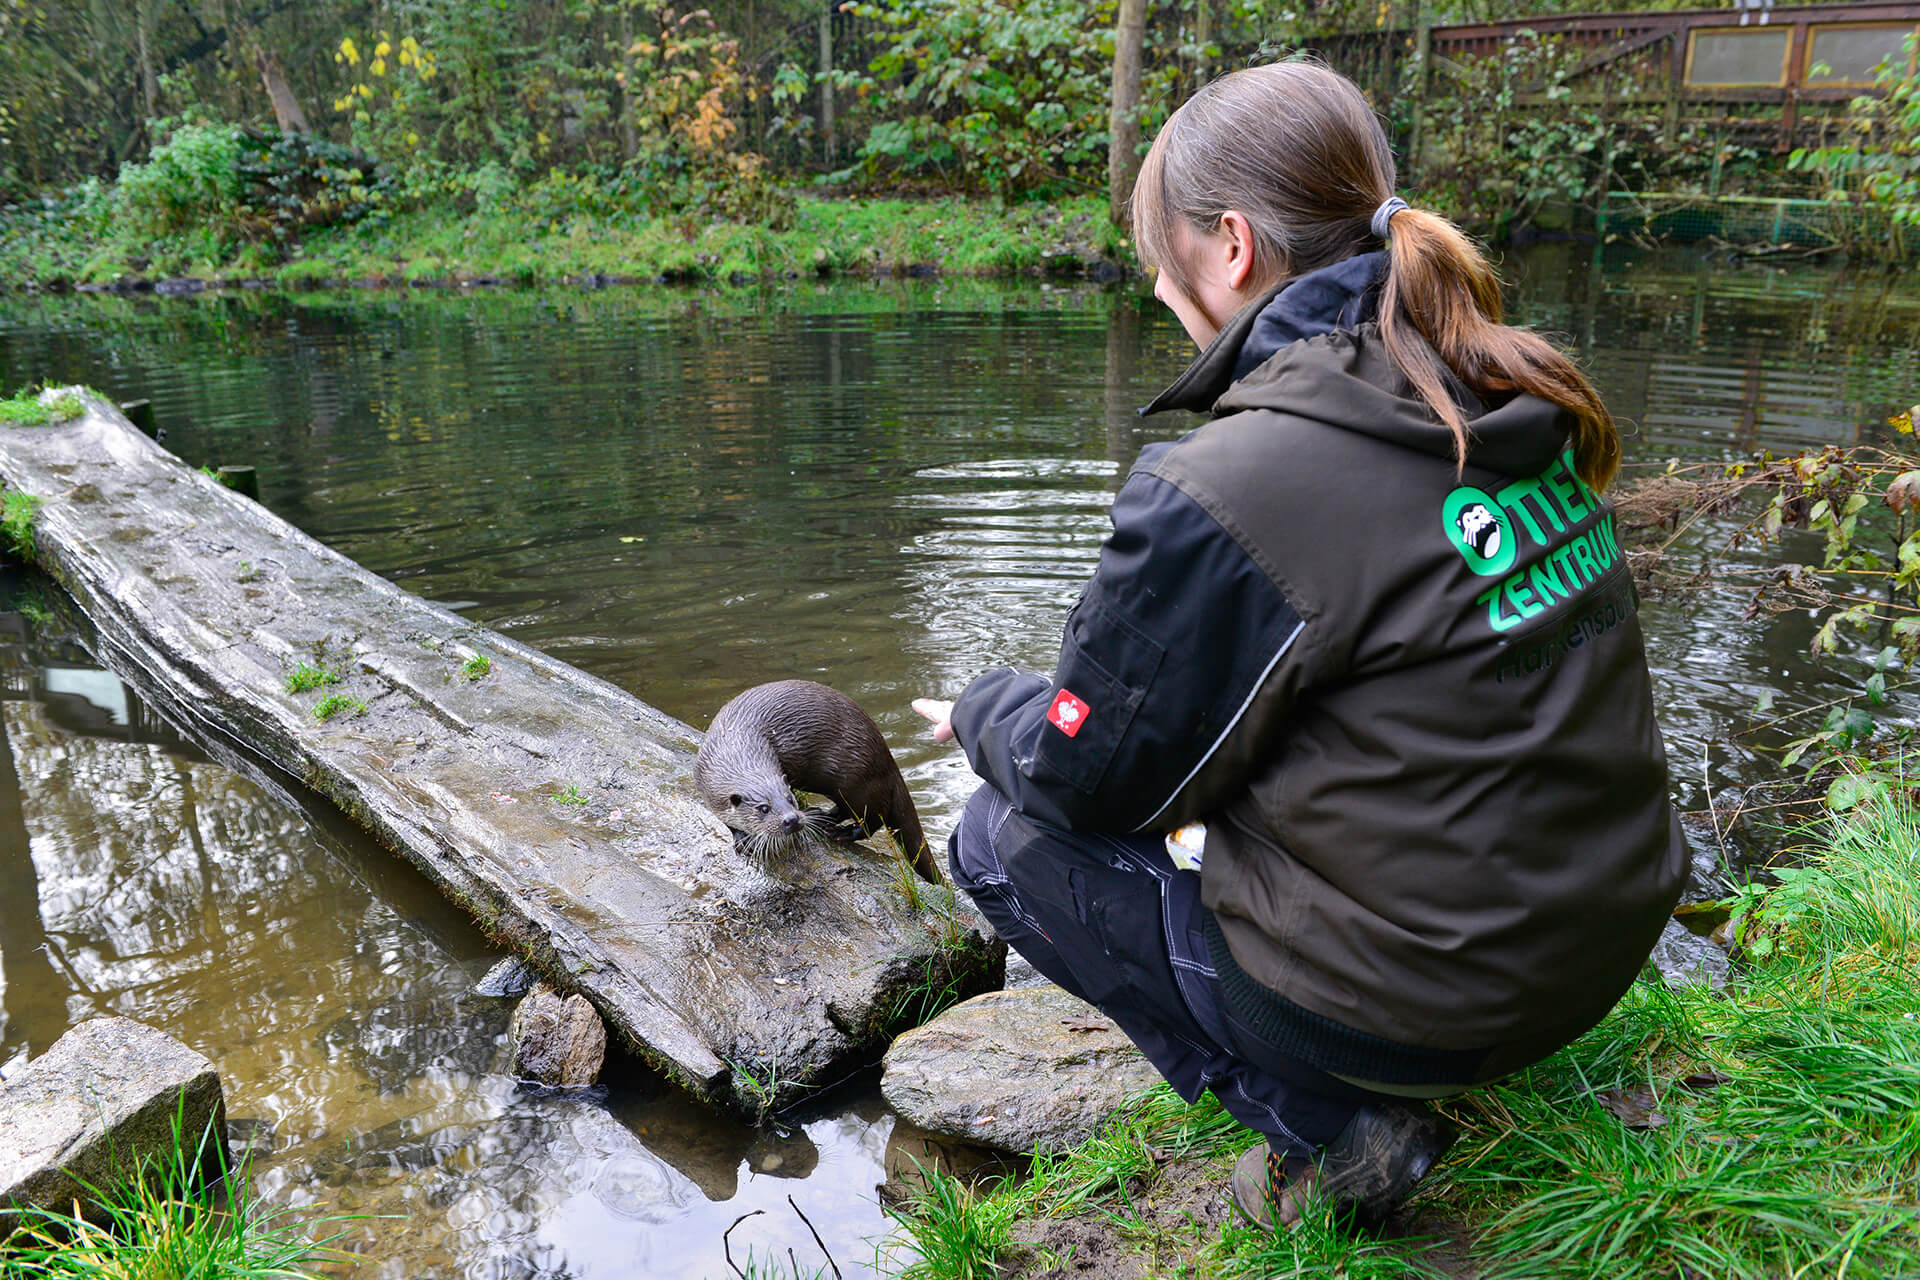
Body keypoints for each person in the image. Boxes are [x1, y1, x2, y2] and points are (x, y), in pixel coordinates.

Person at [912, 60, 1688, 1231]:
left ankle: (1340, 1127)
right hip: (1602, 947)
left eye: (1162, 266)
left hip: (1440, 1003)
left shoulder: (1229, 483)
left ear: (1229, 247)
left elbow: (1089, 780)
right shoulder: (1514, 377)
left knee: (1001, 832)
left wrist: (984, 709)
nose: (1163, 295)